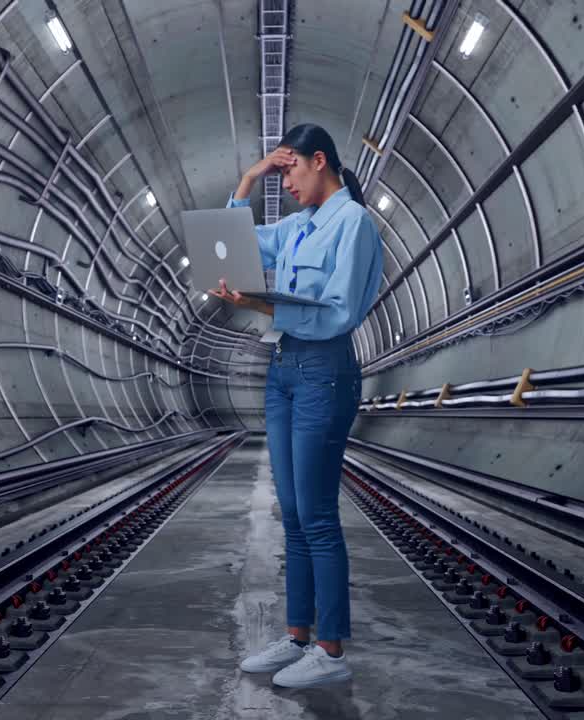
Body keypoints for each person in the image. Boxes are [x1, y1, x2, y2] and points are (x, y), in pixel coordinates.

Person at [210, 123, 383, 688]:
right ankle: (297, 637)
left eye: (288, 173)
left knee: (318, 516)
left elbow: (339, 312)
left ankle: (331, 653)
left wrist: (262, 304)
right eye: (278, 175)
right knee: (293, 516)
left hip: (323, 373)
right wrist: (248, 177)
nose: (283, 184)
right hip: (284, 371)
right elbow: (234, 242)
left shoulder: (352, 223)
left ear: (319, 160)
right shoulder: (297, 226)